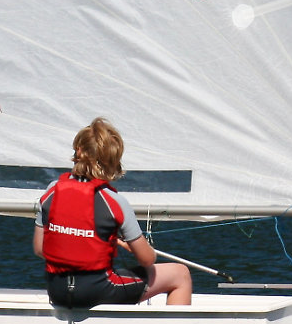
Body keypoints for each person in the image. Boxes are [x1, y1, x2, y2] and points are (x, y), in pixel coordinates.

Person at [34, 118, 192, 308]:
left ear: (79, 151)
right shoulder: (115, 202)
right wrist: (127, 245)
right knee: (180, 274)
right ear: (113, 160)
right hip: (97, 290)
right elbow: (148, 259)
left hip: (57, 290)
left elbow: (40, 248)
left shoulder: (51, 191)